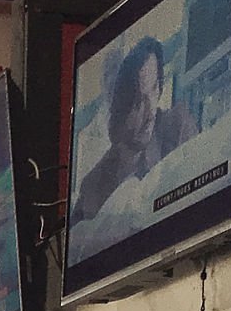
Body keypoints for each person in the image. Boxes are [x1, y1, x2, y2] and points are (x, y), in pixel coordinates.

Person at [73, 35, 199, 223]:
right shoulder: (92, 186)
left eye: (155, 88)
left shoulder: (177, 126)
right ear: (118, 108)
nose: (150, 110)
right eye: (138, 100)